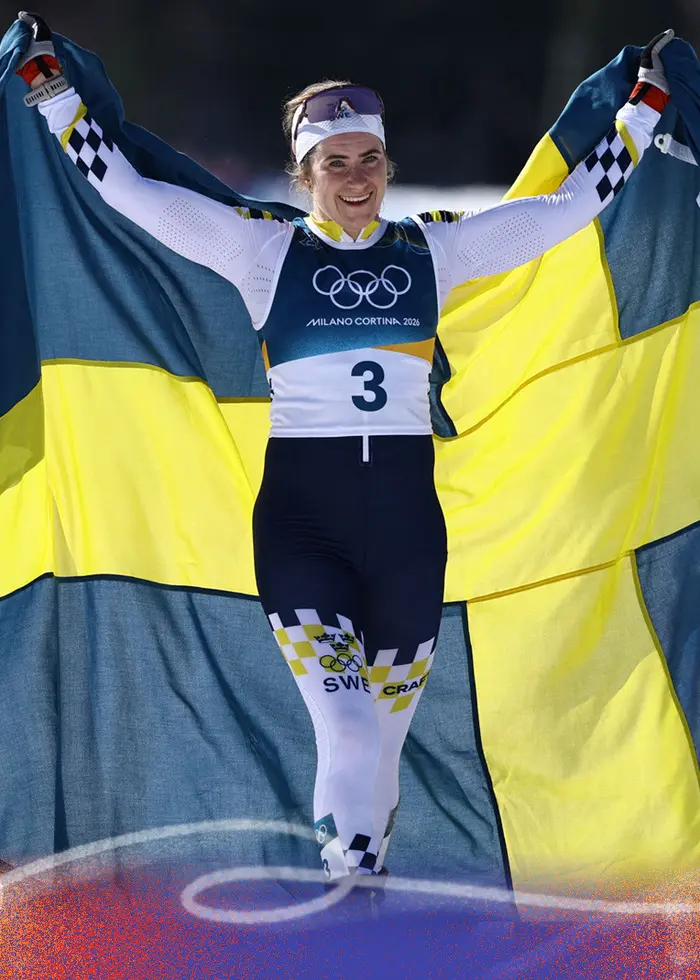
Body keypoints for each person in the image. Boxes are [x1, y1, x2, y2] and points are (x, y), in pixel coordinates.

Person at [15, 11, 674, 896]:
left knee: (384, 743)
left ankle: (363, 877)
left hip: (407, 533)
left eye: (368, 159)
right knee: (349, 730)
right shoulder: (261, 249)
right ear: (305, 171)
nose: (355, 178)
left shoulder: (434, 247)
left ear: (386, 163)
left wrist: (641, 111)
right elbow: (131, 193)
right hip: (303, 531)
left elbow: (565, 211)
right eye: (335, 162)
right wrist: (55, 99)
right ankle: (350, 900)